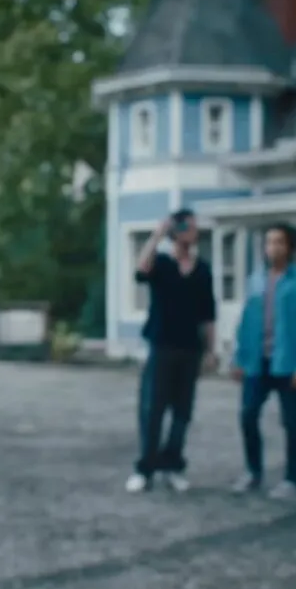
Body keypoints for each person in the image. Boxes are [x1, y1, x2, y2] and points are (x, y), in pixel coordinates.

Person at [125, 208, 217, 493]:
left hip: (190, 349)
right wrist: (157, 235)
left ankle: (172, 465)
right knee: (152, 409)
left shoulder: (202, 270)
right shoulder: (162, 264)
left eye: (194, 226)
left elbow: (208, 314)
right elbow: (140, 271)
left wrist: (211, 350)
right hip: (161, 345)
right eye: (187, 226)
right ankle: (146, 468)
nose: (193, 231)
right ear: (176, 230)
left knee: (182, 412)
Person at [229, 223, 296, 499]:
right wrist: (238, 358)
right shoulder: (256, 280)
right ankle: (253, 471)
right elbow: (245, 322)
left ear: (290, 248)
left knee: (291, 421)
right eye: (269, 242)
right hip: (257, 361)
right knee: (248, 415)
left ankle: (293, 478)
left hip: (287, 363)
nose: (273, 248)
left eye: (279, 242)